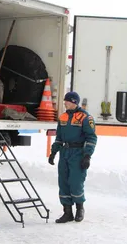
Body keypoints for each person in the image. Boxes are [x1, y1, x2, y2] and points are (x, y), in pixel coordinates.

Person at [48, 91, 97, 223]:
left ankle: (80, 209)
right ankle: (67, 212)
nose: (65, 103)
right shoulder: (63, 117)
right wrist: (53, 152)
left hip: (78, 153)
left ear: (74, 102)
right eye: (65, 101)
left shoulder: (85, 117)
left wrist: (87, 155)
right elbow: (59, 137)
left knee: (76, 182)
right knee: (63, 182)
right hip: (65, 152)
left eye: (67, 101)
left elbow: (91, 137)